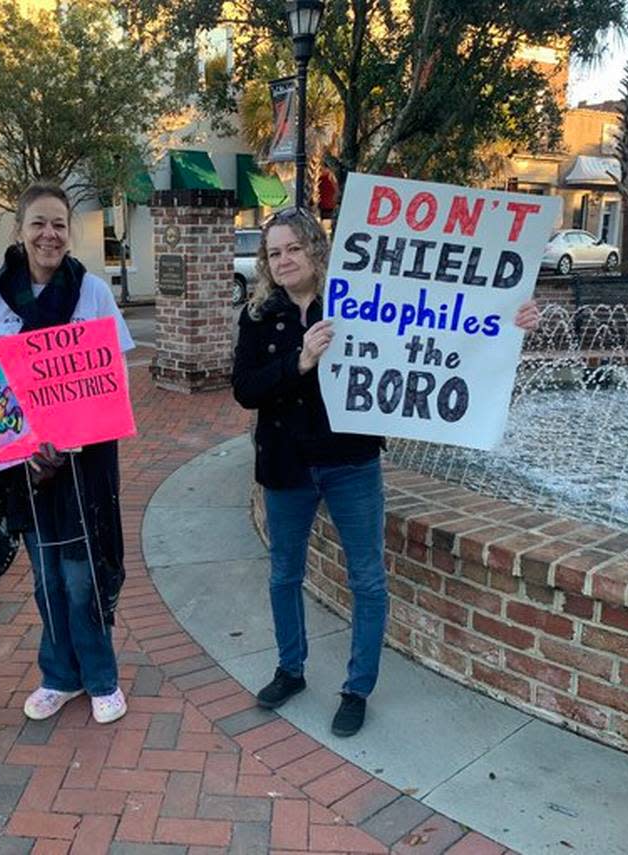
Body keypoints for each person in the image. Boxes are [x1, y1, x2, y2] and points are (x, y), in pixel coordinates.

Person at [232, 206, 542, 738]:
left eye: (293, 249)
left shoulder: (361, 302)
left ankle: (357, 688)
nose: (283, 260)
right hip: (286, 466)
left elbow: (444, 326)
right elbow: (245, 389)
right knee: (284, 574)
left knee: (368, 580)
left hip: (351, 463)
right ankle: (291, 669)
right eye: (274, 252)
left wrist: (507, 320)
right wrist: (299, 362)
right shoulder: (259, 315)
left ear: (316, 250)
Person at [0, 183, 134, 725]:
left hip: (84, 461)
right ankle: (59, 676)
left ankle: (101, 676)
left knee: (83, 573)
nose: (49, 234)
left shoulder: (92, 293)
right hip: (25, 463)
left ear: (70, 230)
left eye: (59, 224)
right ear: (19, 230)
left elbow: (115, 378)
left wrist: (73, 431)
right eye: (38, 223)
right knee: (46, 575)